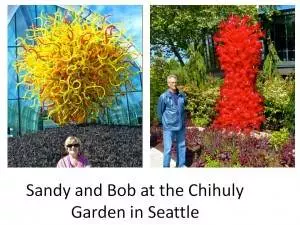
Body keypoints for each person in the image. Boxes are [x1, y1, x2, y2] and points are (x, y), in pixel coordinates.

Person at [157, 74, 187, 167]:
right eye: (172, 82)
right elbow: (160, 112)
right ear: (168, 84)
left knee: (181, 147)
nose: (174, 84)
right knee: (168, 149)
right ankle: (166, 168)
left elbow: (183, 108)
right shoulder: (163, 96)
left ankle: (180, 166)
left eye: (175, 82)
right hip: (168, 127)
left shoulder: (181, 95)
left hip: (180, 126)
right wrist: (164, 123)